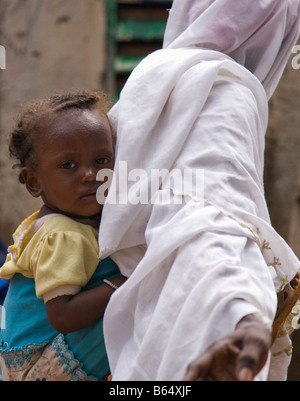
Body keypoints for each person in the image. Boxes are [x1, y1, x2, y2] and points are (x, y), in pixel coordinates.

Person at [98, 0, 300, 381]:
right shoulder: (225, 93)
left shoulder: (155, 75)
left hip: (122, 341)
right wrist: (243, 313)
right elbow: (208, 217)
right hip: (186, 329)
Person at [0, 90, 125, 381]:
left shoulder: (65, 220)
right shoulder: (63, 233)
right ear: (34, 181)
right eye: (68, 165)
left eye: (102, 160)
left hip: (19, 358)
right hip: (40, 366)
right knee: (137, 292)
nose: (89, 175)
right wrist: (124, 284)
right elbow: (64, 317)